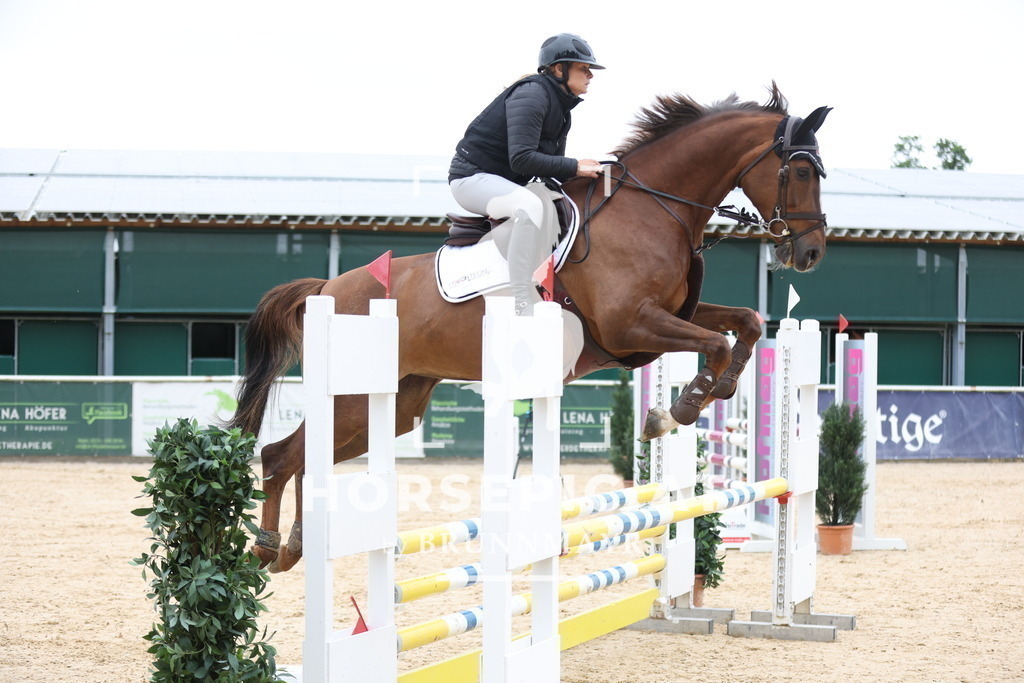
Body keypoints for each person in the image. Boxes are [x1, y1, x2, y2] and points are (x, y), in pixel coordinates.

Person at [448, 33, 605, 314]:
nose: (590, 74)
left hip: (502, 182)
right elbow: (522, 159)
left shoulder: (562, 109)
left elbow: (550, 169)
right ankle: (521, 296)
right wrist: (575, 166)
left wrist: (596, 171)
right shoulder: (532, 94)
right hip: (471, 179)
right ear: (559, 69)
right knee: (529, 206)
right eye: (583, 68)